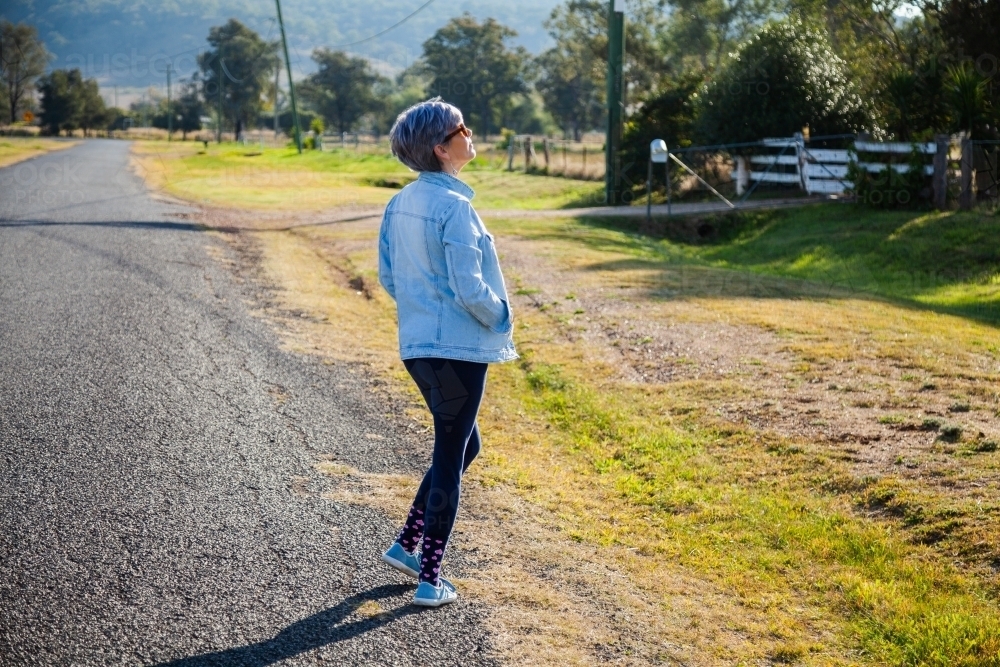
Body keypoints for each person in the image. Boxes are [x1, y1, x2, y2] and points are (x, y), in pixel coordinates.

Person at [377, 98, 517, 607]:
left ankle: (406, 546)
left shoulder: (398, 204)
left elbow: (389, 278)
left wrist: (423, 311)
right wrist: (502, 316)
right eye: (462, 127)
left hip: (418, 347)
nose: (470, 131)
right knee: (450, 449)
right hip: (457, 350)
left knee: (465, 445)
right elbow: (470, 287)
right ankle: (431, 580)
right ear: (442, 147)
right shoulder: (456, 208)